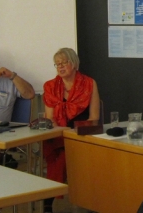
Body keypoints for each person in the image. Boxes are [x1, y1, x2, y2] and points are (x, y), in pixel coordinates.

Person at [43, 47, 100, 213]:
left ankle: (48, 200)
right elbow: (50, 119)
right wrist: (63, 132)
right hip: (58, 134)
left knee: (64, 157)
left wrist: (74, 133)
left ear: (74, 63)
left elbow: (94, 118)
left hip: (81, 135)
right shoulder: (50, 86)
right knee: (60, 154)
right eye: (57, 64)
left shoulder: (89, 83)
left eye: (64, 63)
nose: (60, 67)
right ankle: (49, 199)